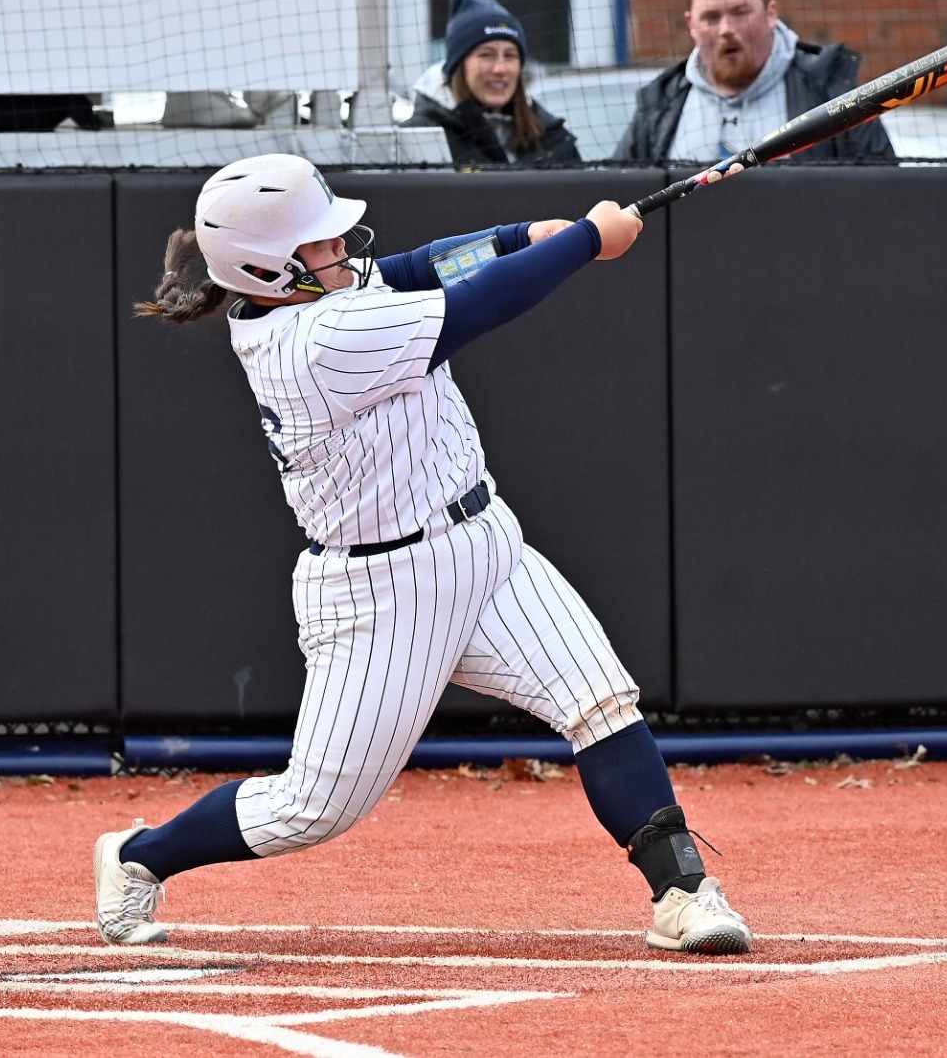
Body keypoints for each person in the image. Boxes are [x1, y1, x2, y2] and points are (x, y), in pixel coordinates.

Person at [97, 153, 753, 955]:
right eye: (321, 243)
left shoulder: (315, 286)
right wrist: (585, 240)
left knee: (599, 699)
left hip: (484, 544)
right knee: (314, 805)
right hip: (381, 590)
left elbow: (413, 265)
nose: (341, 249)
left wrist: (521, 233)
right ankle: (139, 855)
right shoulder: (315, 339)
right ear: (269, 268)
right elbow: (474, 305)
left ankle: (682, 890)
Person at [614, 0, 892, 164]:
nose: (726, 29)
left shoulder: (829, 89)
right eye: (711, 17)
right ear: (690, 24)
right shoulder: (660, 103)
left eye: (741, 12)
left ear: (770, 14)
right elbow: (619, 202)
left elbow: (883, 193)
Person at [405, 0, 580, 166]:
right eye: (486, 55)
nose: (500, 69)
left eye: (510, 55)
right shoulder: (419, 137)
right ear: (459, 65)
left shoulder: (553, 139)